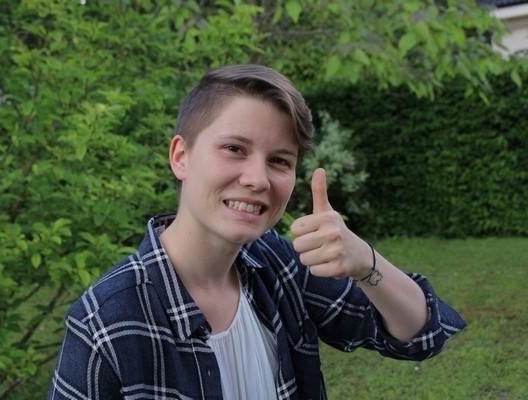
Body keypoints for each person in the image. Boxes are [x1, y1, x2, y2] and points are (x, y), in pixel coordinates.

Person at [47, 64, 466, 400]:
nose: (258, 179)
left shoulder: (279, 266)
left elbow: (421, 335)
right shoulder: (105, 321)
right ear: (181, 156)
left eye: (279, 161)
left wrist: (364, 263)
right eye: (235, 149)